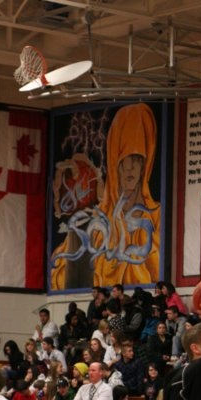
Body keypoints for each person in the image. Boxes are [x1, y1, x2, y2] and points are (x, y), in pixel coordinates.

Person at [51, 103, 160, 289]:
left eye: (137, 159)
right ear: (114, 162)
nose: (130, 168)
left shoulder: (157, 217)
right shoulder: (95, 221)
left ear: (145, 165)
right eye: (124, 160)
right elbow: (60, 274)